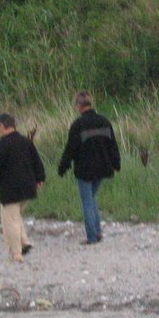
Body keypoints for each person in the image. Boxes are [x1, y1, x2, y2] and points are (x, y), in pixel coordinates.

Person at [0, 113, 46, 263]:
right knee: (14, 216)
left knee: (10, 221)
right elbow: (37, 160)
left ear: (2, 126)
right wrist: (40, 178)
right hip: (28, 187)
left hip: (11, 189)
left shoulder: (2, 145)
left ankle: (17, 254)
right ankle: (24, 242)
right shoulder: (26, 142)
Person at [58, 90, 120, 244]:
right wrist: (116, 163)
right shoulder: (104, 122)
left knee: (87, 201)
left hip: (85, 170)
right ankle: (97, 232)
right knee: (91, 199)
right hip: (103, 168)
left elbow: (70, 149)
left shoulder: (78, 125)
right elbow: (113, 146)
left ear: (79, 105)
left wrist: (63, 167)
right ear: (90, 103)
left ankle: (92, 237)